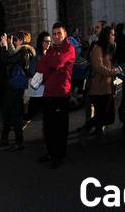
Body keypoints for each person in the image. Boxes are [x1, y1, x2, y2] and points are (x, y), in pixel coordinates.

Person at [37, 22, 76, 169]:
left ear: (65, 33)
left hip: (61, 93)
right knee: (48, 127)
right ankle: (51, 152)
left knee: (59, 129)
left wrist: (49, 61)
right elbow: (41, 67)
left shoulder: (69, 49)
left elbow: (59, 62)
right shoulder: (52, 50)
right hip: (48, 93)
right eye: (54, 34)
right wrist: (49, 63)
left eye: (59, 33)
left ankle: (58, 156)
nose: (56, 36)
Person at [0, 32, 34, 151]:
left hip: (17, 87)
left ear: (21, 40)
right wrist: (4, 45)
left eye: (15, 39)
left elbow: (7, 59)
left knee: (16, 115)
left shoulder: (24, 51)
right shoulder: (19, 51)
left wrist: (6, 44)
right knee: (7, 112)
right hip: (11, 86)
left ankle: (19, 142)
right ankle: (4, 139)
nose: (14, 41)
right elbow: (2, 57)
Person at [84, 26, 121, 136]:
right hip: (98, 89)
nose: (114, 36)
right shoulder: (97, 48)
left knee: (109, 116)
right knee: (101, 116)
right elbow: (98, 67)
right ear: (106, 36)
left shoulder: (109, 48)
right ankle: (89, 130)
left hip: (108, 87)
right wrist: (113, 71)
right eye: (112, 34)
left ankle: (92, 130)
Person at [24, 31, 50, 123]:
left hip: (45, 88)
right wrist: (43, 78)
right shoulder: (36, 54)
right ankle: (18, 125)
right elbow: (32, 71)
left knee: (47, 111)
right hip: (36, 89)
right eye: (46, 41)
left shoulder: (48, 53)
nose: (48, 44)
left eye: (49, 41)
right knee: (31, 112)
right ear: (41, 42)